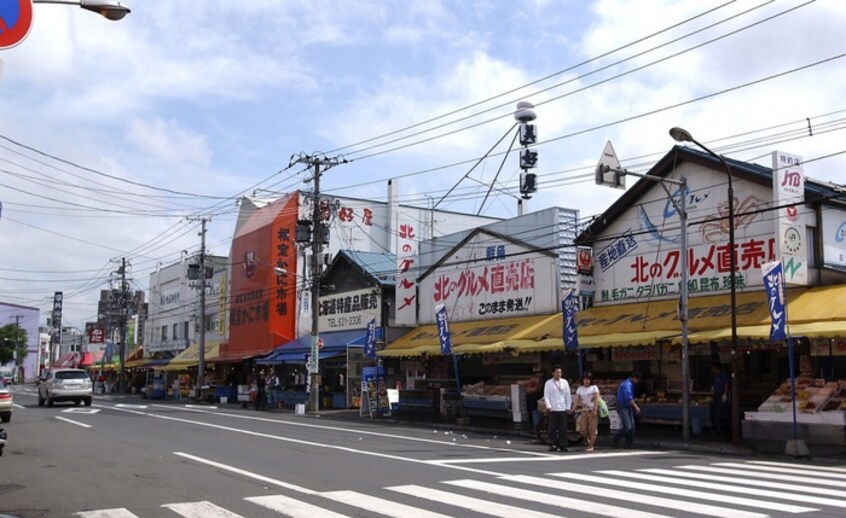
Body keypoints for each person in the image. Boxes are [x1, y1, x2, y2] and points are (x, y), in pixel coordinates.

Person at [543, 365, 573, 452]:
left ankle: (563, 444)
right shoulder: (548, 383)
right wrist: (548, 406)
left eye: (560, 372)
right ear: (553, 373)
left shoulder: (565, 382)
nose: (558, 374)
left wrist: (568, 406)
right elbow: (546, 395)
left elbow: (568, 395)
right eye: (556, 372)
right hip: (553, 408)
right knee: (552, 427)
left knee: (563, 428)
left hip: (562, 408)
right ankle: (553, 444)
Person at [612, 371, 641, 448]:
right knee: (628, 426)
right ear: (634, 378)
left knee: (632, 426)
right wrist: (636, 406)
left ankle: (629, 443)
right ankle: (615, 437)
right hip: (623, 406)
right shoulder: (627, 385)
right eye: (637, 380)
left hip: (628, 406)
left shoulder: (628, 383)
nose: (637, 382)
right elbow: (628, 397)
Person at [575, 372, 600, 452]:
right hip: (584, 411)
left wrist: (595, 409)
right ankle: (587, 440)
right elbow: (577, 400)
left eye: (588, 379)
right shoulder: (580, 389)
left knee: (592, 429)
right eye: (585, 379)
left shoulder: (594, 388)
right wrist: (574, 407)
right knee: (582, 430)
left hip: (592, 410)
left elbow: (597, 399)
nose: (587, 381)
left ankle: (591, 445)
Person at [710, 362, 730, 433]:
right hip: (716, 394)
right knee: (715, 411)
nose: (712, 369)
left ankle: (721, 428)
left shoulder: (722, 374)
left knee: (719, 412)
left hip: (721, 394)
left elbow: (726, 384)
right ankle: (718, 428)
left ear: (715, 368)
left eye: (712, 368)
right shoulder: (715, 375)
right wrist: (713, 387)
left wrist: (725, 394)